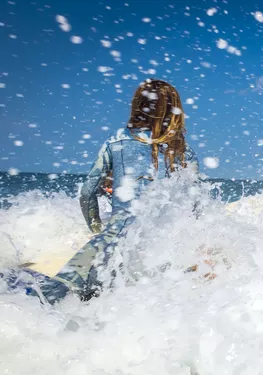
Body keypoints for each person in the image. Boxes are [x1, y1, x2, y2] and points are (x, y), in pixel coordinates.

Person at [26, 79, 199, 303]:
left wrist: (98, 229)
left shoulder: (117, 141)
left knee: (46, 300)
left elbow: (88, 192)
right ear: (175, 111)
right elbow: (195, 206)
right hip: (161, 252)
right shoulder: (185, 152)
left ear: (138, 106)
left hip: (112, 245)